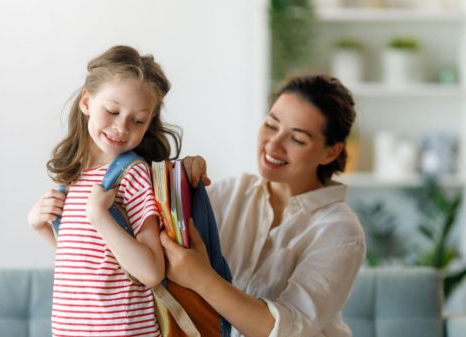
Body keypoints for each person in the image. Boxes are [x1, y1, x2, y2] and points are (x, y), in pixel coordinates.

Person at [163, 75, 366, 337]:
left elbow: (290, 329)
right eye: (271, 125)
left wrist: (202, 278)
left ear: (331, 152)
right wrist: (179, 181)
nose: (273, 143)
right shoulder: (227, 195)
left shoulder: (340, 232)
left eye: (297, 139)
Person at [27, 45, 181, 337]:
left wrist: (100, 215)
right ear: (86, 101)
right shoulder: (74, 178)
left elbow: (150, 272)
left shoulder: (132, 175)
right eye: (112, 111)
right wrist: (40, 227)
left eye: (138, 120)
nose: (122, 127)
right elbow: (89, 265)